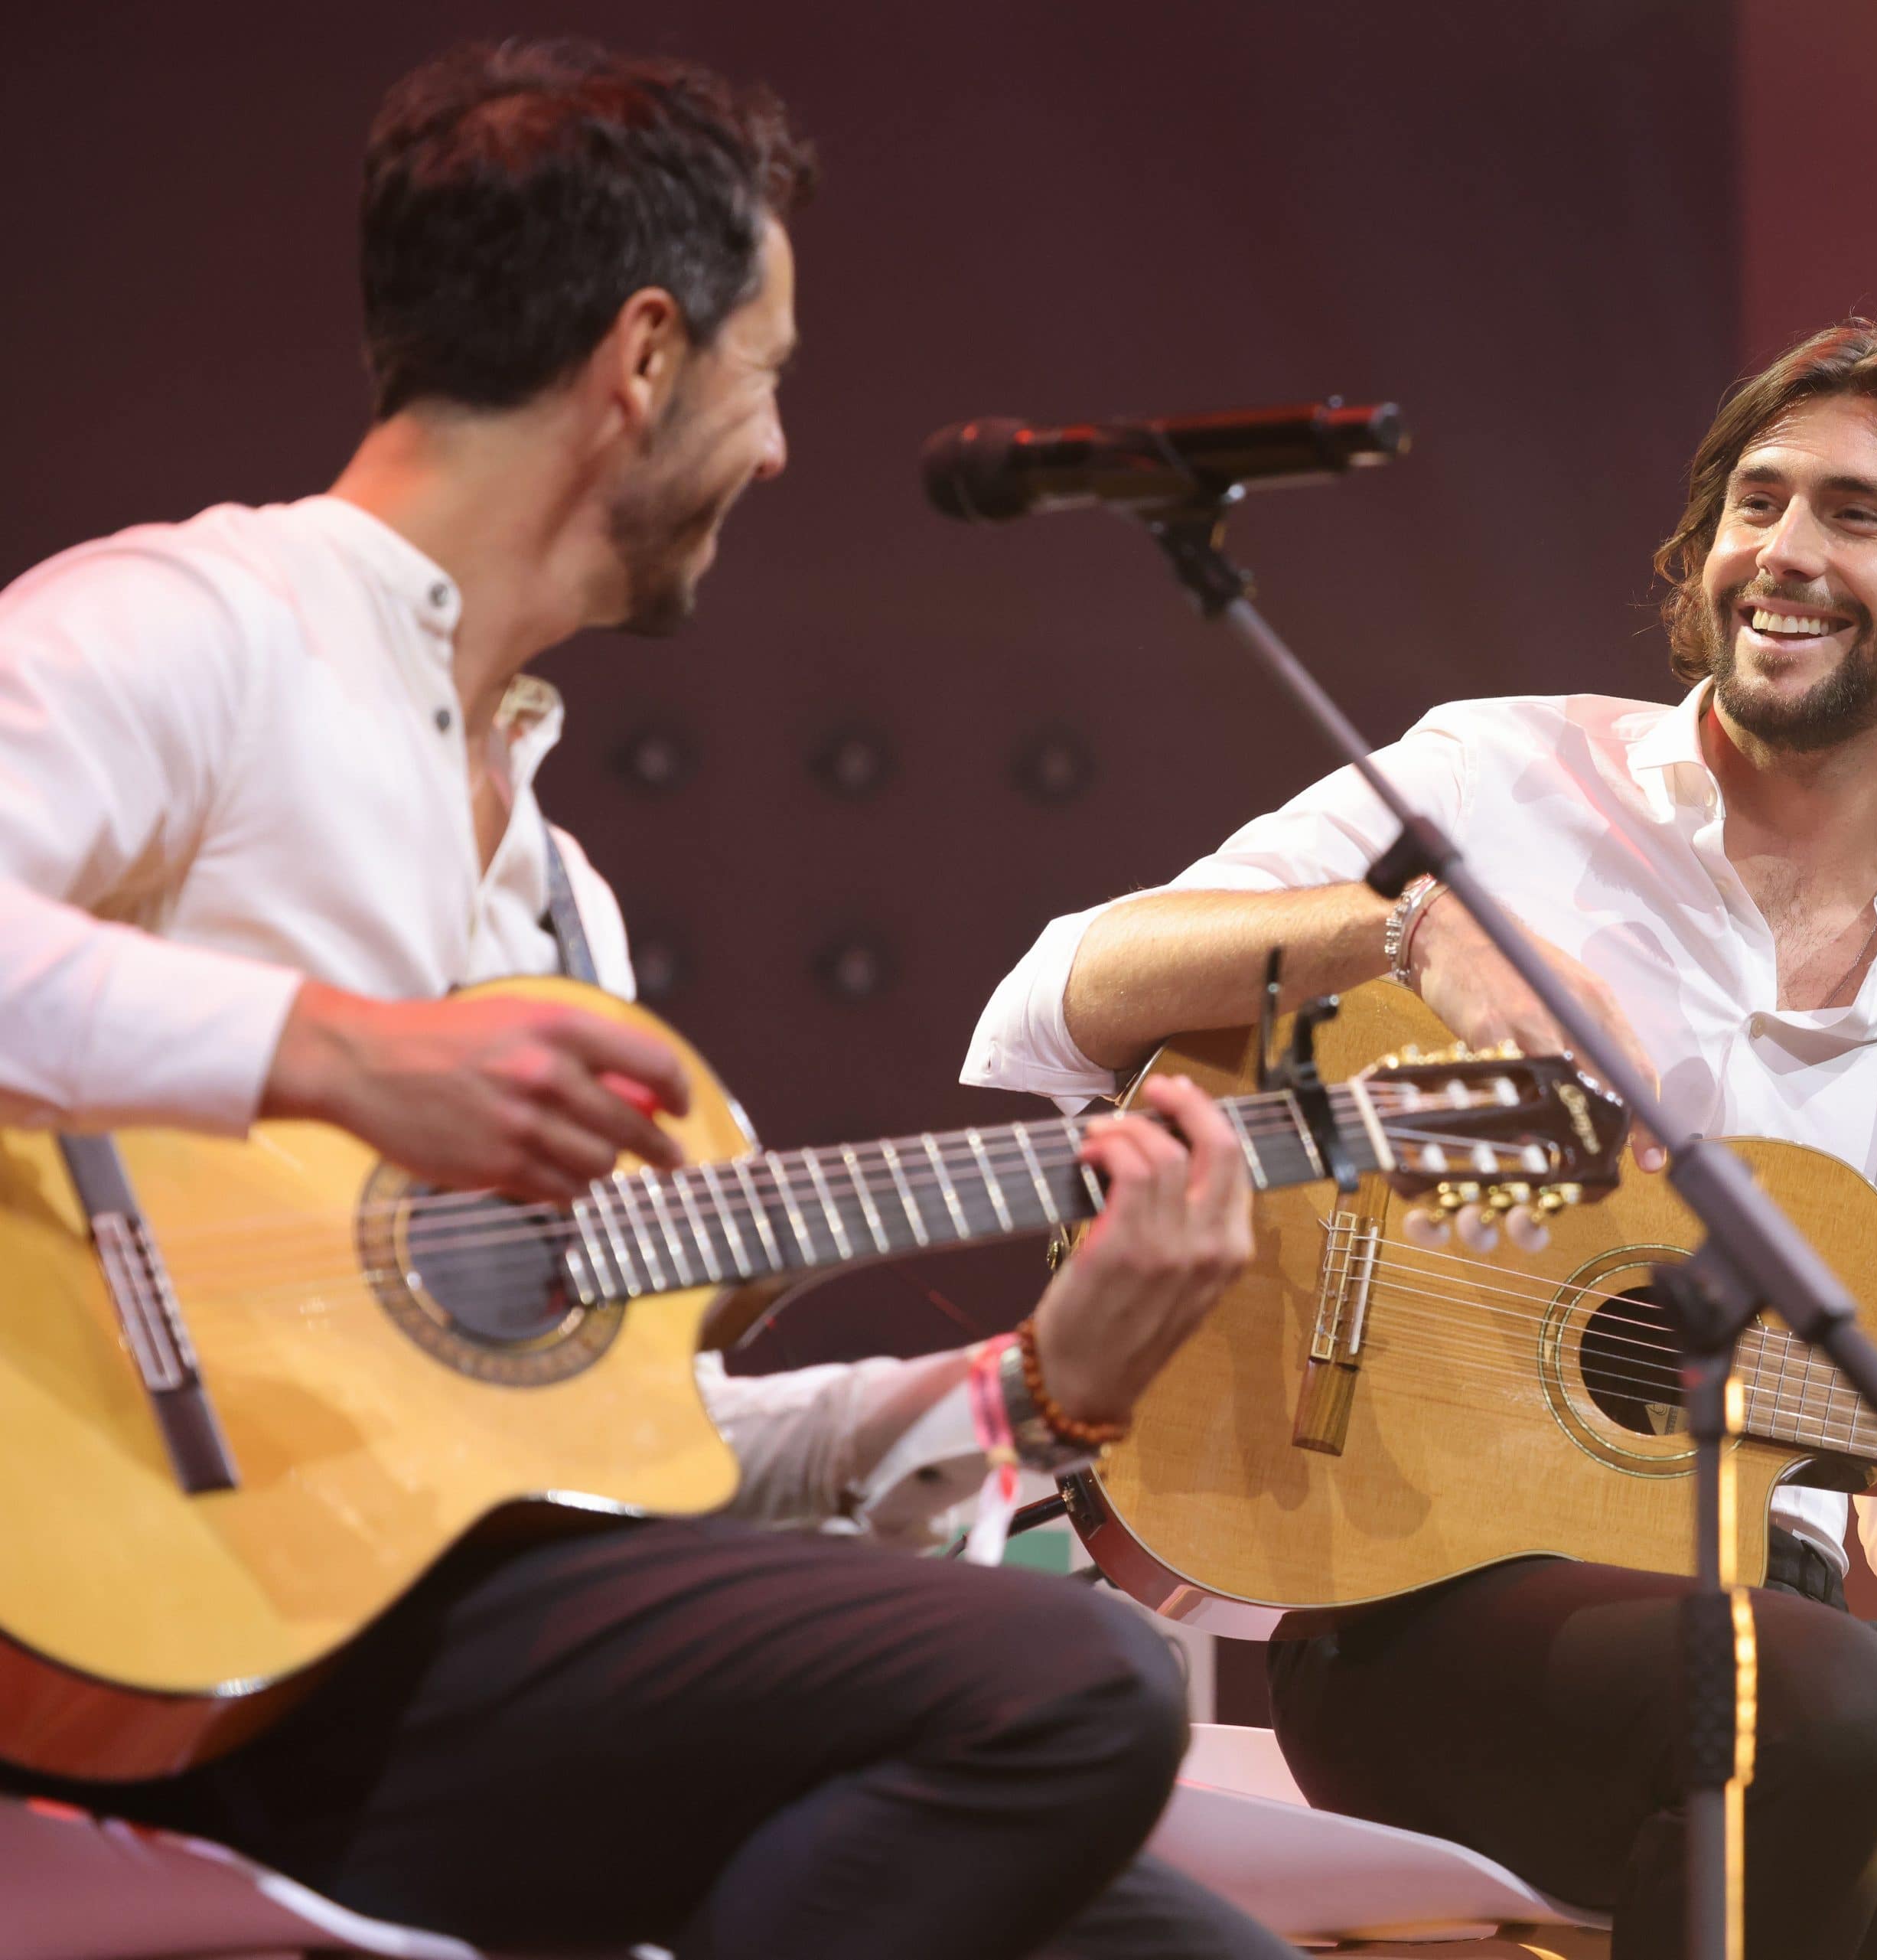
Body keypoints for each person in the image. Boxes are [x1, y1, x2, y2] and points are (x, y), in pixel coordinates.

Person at [0, 40, 1292, 1960]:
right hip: (164, 1639)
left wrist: (1040, 1387)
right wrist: (345, 1057)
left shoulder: (556, 900)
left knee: (1188, 1943)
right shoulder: (195, 631)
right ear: (644, 359)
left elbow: (632, 1459)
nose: (775, 453)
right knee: (1073, 1687)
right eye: (769, 378)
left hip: (446, 1650)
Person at [966, 318, 1877, 1958]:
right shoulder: (1504, 776)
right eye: (1759, 500)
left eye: (1855, 515)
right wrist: (1405, 928)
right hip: (1429, 1616)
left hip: (1804, 1669)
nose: (1785, 552)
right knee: (1809, 1701)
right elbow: (1060, 994)